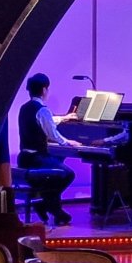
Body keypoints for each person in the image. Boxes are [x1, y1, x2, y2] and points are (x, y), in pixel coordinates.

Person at [17, 73, 80, 226]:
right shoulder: (42, 110)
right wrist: (69, 142)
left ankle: (50, 206)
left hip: (24, 157)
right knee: (68, 174)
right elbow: (53, 134)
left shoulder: (25, 108)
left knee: (57, 168)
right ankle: (48, 205)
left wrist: (63, 118)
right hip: (36, 158)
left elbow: (45, 121)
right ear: (44, 90)